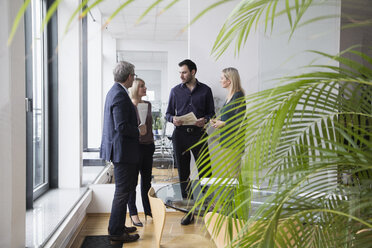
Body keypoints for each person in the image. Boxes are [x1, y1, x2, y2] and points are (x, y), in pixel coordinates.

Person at [100, 61, 146, 244]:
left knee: (125, 190)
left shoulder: (115, 91)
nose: (134, 78)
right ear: (129, 76)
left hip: (122, 151)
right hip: (123, 152)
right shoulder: (119, 94)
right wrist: (139, 131)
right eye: (133, 75)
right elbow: (121, 127)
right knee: (122, 192)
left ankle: (118, 226)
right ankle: (116, 233)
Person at [166, 59, 215, 225]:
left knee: (206, 172)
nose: (181, 75)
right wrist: (173, 119)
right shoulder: (175, 91)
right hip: (180, 136)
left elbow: (211, 113)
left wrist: (205, 120)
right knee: (184, 174)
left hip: (199, 134)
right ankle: (189, 211)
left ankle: (208, 209)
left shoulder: (206, 90)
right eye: (180, 72)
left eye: (184, 72)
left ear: (193, 72)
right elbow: (168, 114)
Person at [127, 78, 155, 227]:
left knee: (146, 181)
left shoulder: (148, 105)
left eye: (145, 86)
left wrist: (152, 142)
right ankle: (133, 214)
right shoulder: (130, 105)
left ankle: (148, 210)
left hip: (148, 147)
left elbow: (149, 127)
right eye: (142, 86)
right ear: (135, 88)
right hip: (135, 148)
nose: (145, 88)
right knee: (132, 183)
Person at [210, 67, 246, 177]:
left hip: (234, 143)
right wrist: (218, 121)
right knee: (228, 176)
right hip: (225, 141)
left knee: (233, 177)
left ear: (229, 80)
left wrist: (223, 124)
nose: (220, 80)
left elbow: (241, 122)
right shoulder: (229, 97)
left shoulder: (238, 96)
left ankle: (236, 195)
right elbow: (229, 118)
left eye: (222, 78)